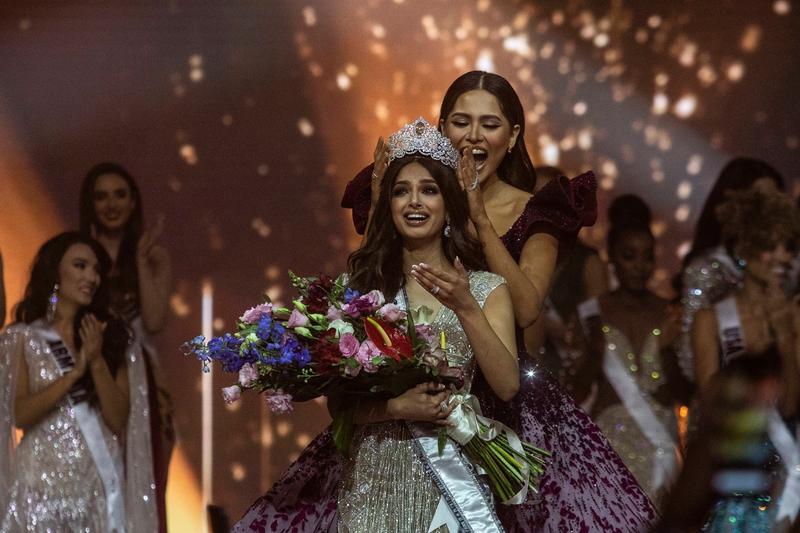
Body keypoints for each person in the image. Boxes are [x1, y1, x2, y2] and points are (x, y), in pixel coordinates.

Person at [343, 71, 656, 531]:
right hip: (411, 407)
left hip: (504, 400)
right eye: (460, 122)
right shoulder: (417, 198)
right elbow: (370, 278)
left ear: (512, 137)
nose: (473, 136)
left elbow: (527, 309)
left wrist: (480, 219)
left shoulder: (537, 211)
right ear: (442, 128)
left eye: (489, 125)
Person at [237, 118, 519, 531]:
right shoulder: (365, 292)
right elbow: (339, 406)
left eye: (429, 190)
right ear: (388, 204)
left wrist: (466, 307)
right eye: (401, 191)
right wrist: (397, 407)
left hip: (451, 491)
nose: (414, 202)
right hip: (372, 490)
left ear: (448, 203)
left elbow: (508, 385)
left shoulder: (486, 289)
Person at [0, 232, 157, 531]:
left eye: (96, 270)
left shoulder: (111, 338)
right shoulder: (23, 337)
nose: (91, 277)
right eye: (80, 266)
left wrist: (96, 361)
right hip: (39, 487)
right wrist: (73, 374)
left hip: (95, 485)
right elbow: (20, 414)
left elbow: (117, 419)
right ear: (55, 272)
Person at [691, 188, 800, 531]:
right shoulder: (711, 320)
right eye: (769, 245)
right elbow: (711, 403)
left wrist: (784, 336)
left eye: (788, 247)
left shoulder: (796, 318)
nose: (782, 257)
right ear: (744, 250)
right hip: (734, 471)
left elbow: (790, 405)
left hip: (787, 472)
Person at [79, 162, 173, 531]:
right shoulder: (78, 257)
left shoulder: (154, 256)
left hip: (142, 378)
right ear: (90, 204)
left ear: (133, 202)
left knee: (147, 478)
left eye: (119, 195)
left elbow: (153, 321)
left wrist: (139, 262)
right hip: (89, 371)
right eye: (101, 196)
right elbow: (57, 308)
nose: (111, 204)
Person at [585, 195, 682, 505]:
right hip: (610, 437)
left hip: (659, 438)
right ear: (611, 256)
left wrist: (667, 350)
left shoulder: (669, 312)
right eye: (629, 256)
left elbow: (681, 391)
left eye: (648, 257)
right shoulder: (591, 313)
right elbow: (578, 386)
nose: (640, 266)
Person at [678, 157, 785, 383]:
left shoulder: (787, 268)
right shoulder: (706, 268)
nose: (769, 211)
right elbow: (690, 361)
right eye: (759, 202)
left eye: (775, 200)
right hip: (727, 397)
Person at [524, 166, 608, 404]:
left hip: (573, 384)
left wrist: (564, 333)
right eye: (535, 197)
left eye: (550, 198)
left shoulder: (587, 261)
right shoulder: (514, 254)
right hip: (524, 378)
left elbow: (600, 334)